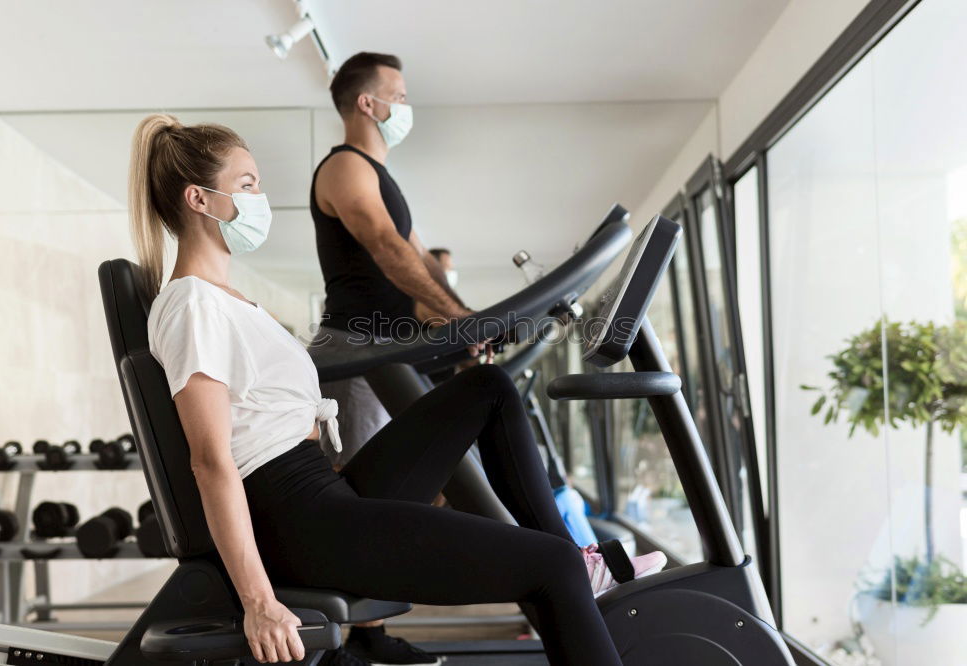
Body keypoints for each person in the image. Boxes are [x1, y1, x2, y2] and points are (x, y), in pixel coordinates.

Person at [129, 113, 666, 666]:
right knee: (547, 569)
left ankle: (583, 562)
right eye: (248, 185)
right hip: (300, 520)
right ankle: (571, 568)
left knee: (486, 387)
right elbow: (210, 460)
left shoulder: (230, 299)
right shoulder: (194, 305)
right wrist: (258, 601)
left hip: (322, 492)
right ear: (199, 198)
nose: (261, 197)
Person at [308, 52, 474, 472]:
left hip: (385, 350)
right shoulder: (345, 165)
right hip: (352, 347)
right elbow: (385, 245)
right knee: (356, 486)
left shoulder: (380, 177)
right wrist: (459, 319)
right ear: (368, 104)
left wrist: (465, 317)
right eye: (397, 97)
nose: (404, 107)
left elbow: (420, 256)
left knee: (410, 474)